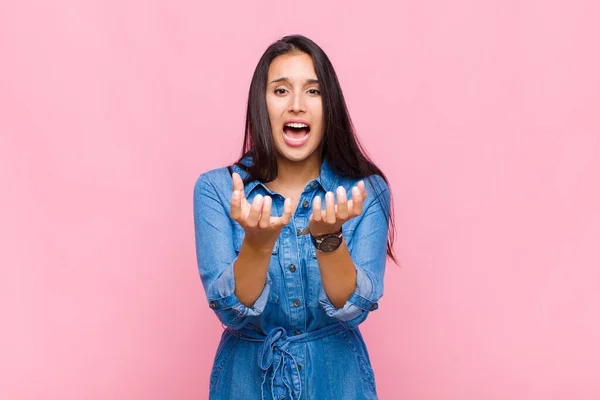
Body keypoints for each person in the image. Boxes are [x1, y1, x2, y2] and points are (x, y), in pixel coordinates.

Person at [193, 34, 396, 400]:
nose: (297, 105)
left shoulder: (366, 192)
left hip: (338, 384)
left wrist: (328, 237)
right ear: (261, 103)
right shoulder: (217, 190)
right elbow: (231, 312)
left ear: (329, 104)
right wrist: (256, 244)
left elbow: (352, 309)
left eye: (313, 91)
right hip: (244, 384)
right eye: (281, 91)